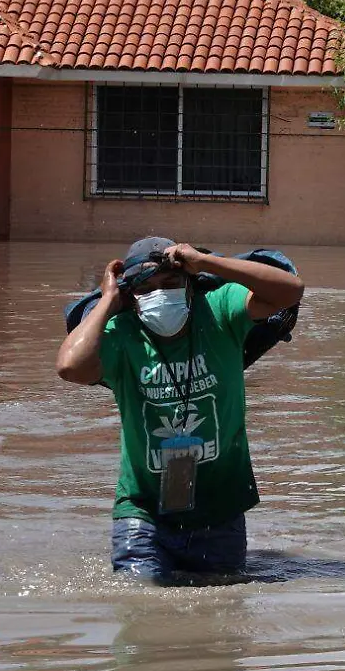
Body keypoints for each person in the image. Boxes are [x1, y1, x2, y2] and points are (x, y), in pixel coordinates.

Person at [56, 236, 305, 585]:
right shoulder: (122, 333)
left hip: (220, 512)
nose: (161, 294)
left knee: (218, 620)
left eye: (171, 284)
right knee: (141, 606)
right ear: (134, 298)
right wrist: (109, 300)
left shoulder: (219, 309)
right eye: (148, 288)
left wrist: (207, 263)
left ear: (190, 286)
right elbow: (70, 366)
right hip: (144, 513)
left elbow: (290, 290)